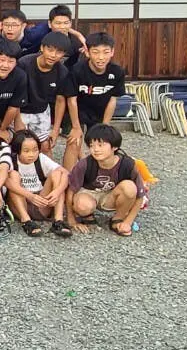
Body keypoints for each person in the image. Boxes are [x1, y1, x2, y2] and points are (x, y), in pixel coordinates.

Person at [66, 124, 145, 237]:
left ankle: (118, 218)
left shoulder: (127, 164)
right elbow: (70, 191)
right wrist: (71, 220)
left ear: (114, 147)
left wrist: (128, 222)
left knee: (130, 187)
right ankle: (87, 216)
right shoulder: (85, 164)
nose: (96, 149)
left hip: (111, 195)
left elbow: (140, 195)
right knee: (83, 205)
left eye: (100, 145)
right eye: (92, 145)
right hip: (89, 193)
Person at [65, 32, 127, 170]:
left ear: (112, 52)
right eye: (96, 52)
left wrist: (105, 126)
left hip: (100, 110)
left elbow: (112, 100)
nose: (101, 57)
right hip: (78, 110)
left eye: (106, 52)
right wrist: (76, 127)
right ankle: (69, 176)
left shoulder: (117, 72)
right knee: (74, 141)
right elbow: (71, 100)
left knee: (103, 142)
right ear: (87, 52)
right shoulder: (77, 70)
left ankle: (100, 174)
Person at [17, 31, 75, 154]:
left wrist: (55, 129)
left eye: (59, 52)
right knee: (19, 146)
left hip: (41, 110)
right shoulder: (24, 63)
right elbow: (14, 94)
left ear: (64, 54)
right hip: (19, 110)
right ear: (42, 47)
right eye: (50, 49)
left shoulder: (62, 72)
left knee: (45, 146)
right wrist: (17, 120)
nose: (53, 55)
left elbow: (60, 101)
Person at [5, 129, 70, 238]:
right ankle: (26, 221)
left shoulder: (41, 159)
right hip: (21, 203)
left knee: (57, 174)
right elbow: (6, 181)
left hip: (41, 203)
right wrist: (30, 196)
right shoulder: (10, 160)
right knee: (12, 175)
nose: (31, 154)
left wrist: (57, 192)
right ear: (17, 150)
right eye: (26, 151)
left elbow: (66, 173)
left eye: (35, 150)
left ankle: (58, 221)